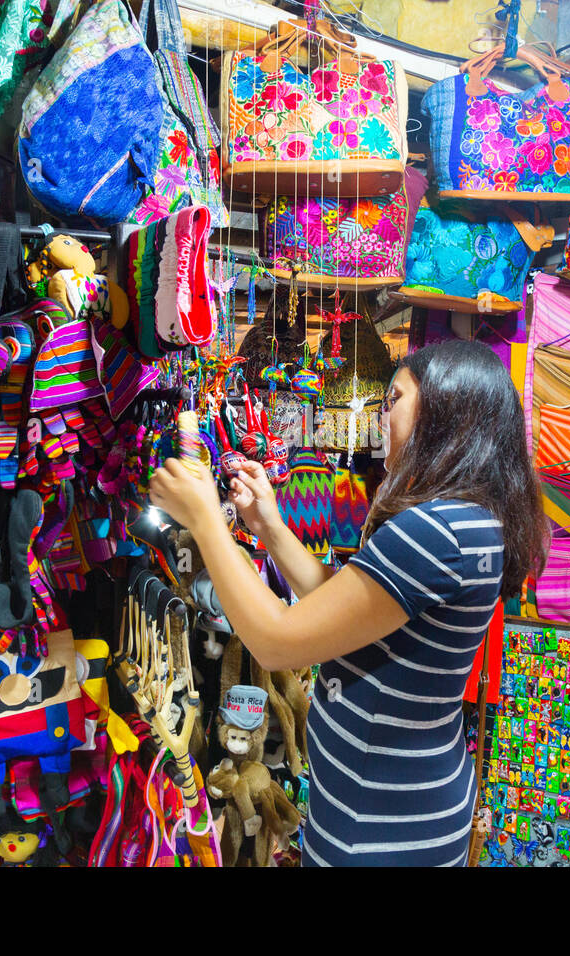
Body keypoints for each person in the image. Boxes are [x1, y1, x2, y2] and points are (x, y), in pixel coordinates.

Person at [150, 339, 547, 866]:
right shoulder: (466, 517)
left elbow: (276, 643)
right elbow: (343, 604)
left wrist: (204, 522)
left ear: (446, 409)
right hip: (386, 811)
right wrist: (268, 526)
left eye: (394, 399)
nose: (382, 417)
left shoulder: (437, 528)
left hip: (382, 829)